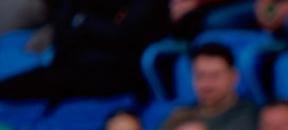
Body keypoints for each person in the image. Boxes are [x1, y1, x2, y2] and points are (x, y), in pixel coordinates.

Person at [0, 0, 168, 101]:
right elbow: (64, 24)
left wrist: (83, 22)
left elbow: (127, 34)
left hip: (119, 68)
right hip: (71, 60)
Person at [190, 42, 259, 130]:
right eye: (200, 76)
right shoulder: (183, 113)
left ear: (234, 77)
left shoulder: (249, 118)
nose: (206, 84)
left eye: (214, 76)